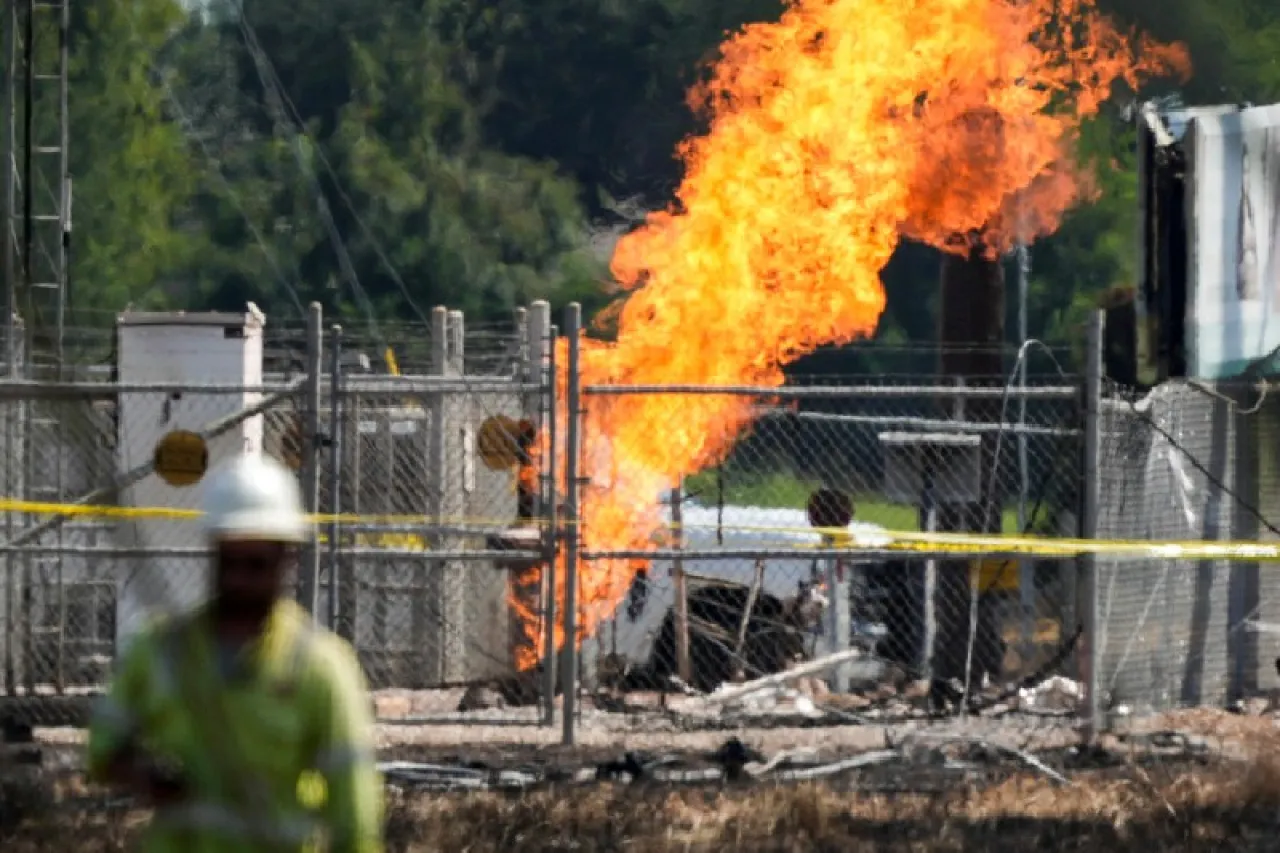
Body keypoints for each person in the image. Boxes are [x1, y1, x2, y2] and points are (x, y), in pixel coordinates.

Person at [86, 451, 384, 852]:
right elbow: (102, 748)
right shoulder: (162, 650)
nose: (239, 578)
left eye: (256, 564)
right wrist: (145, 775)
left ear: (287, 558)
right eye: (229, 562)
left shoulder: (320, 667)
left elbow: (355, 811)